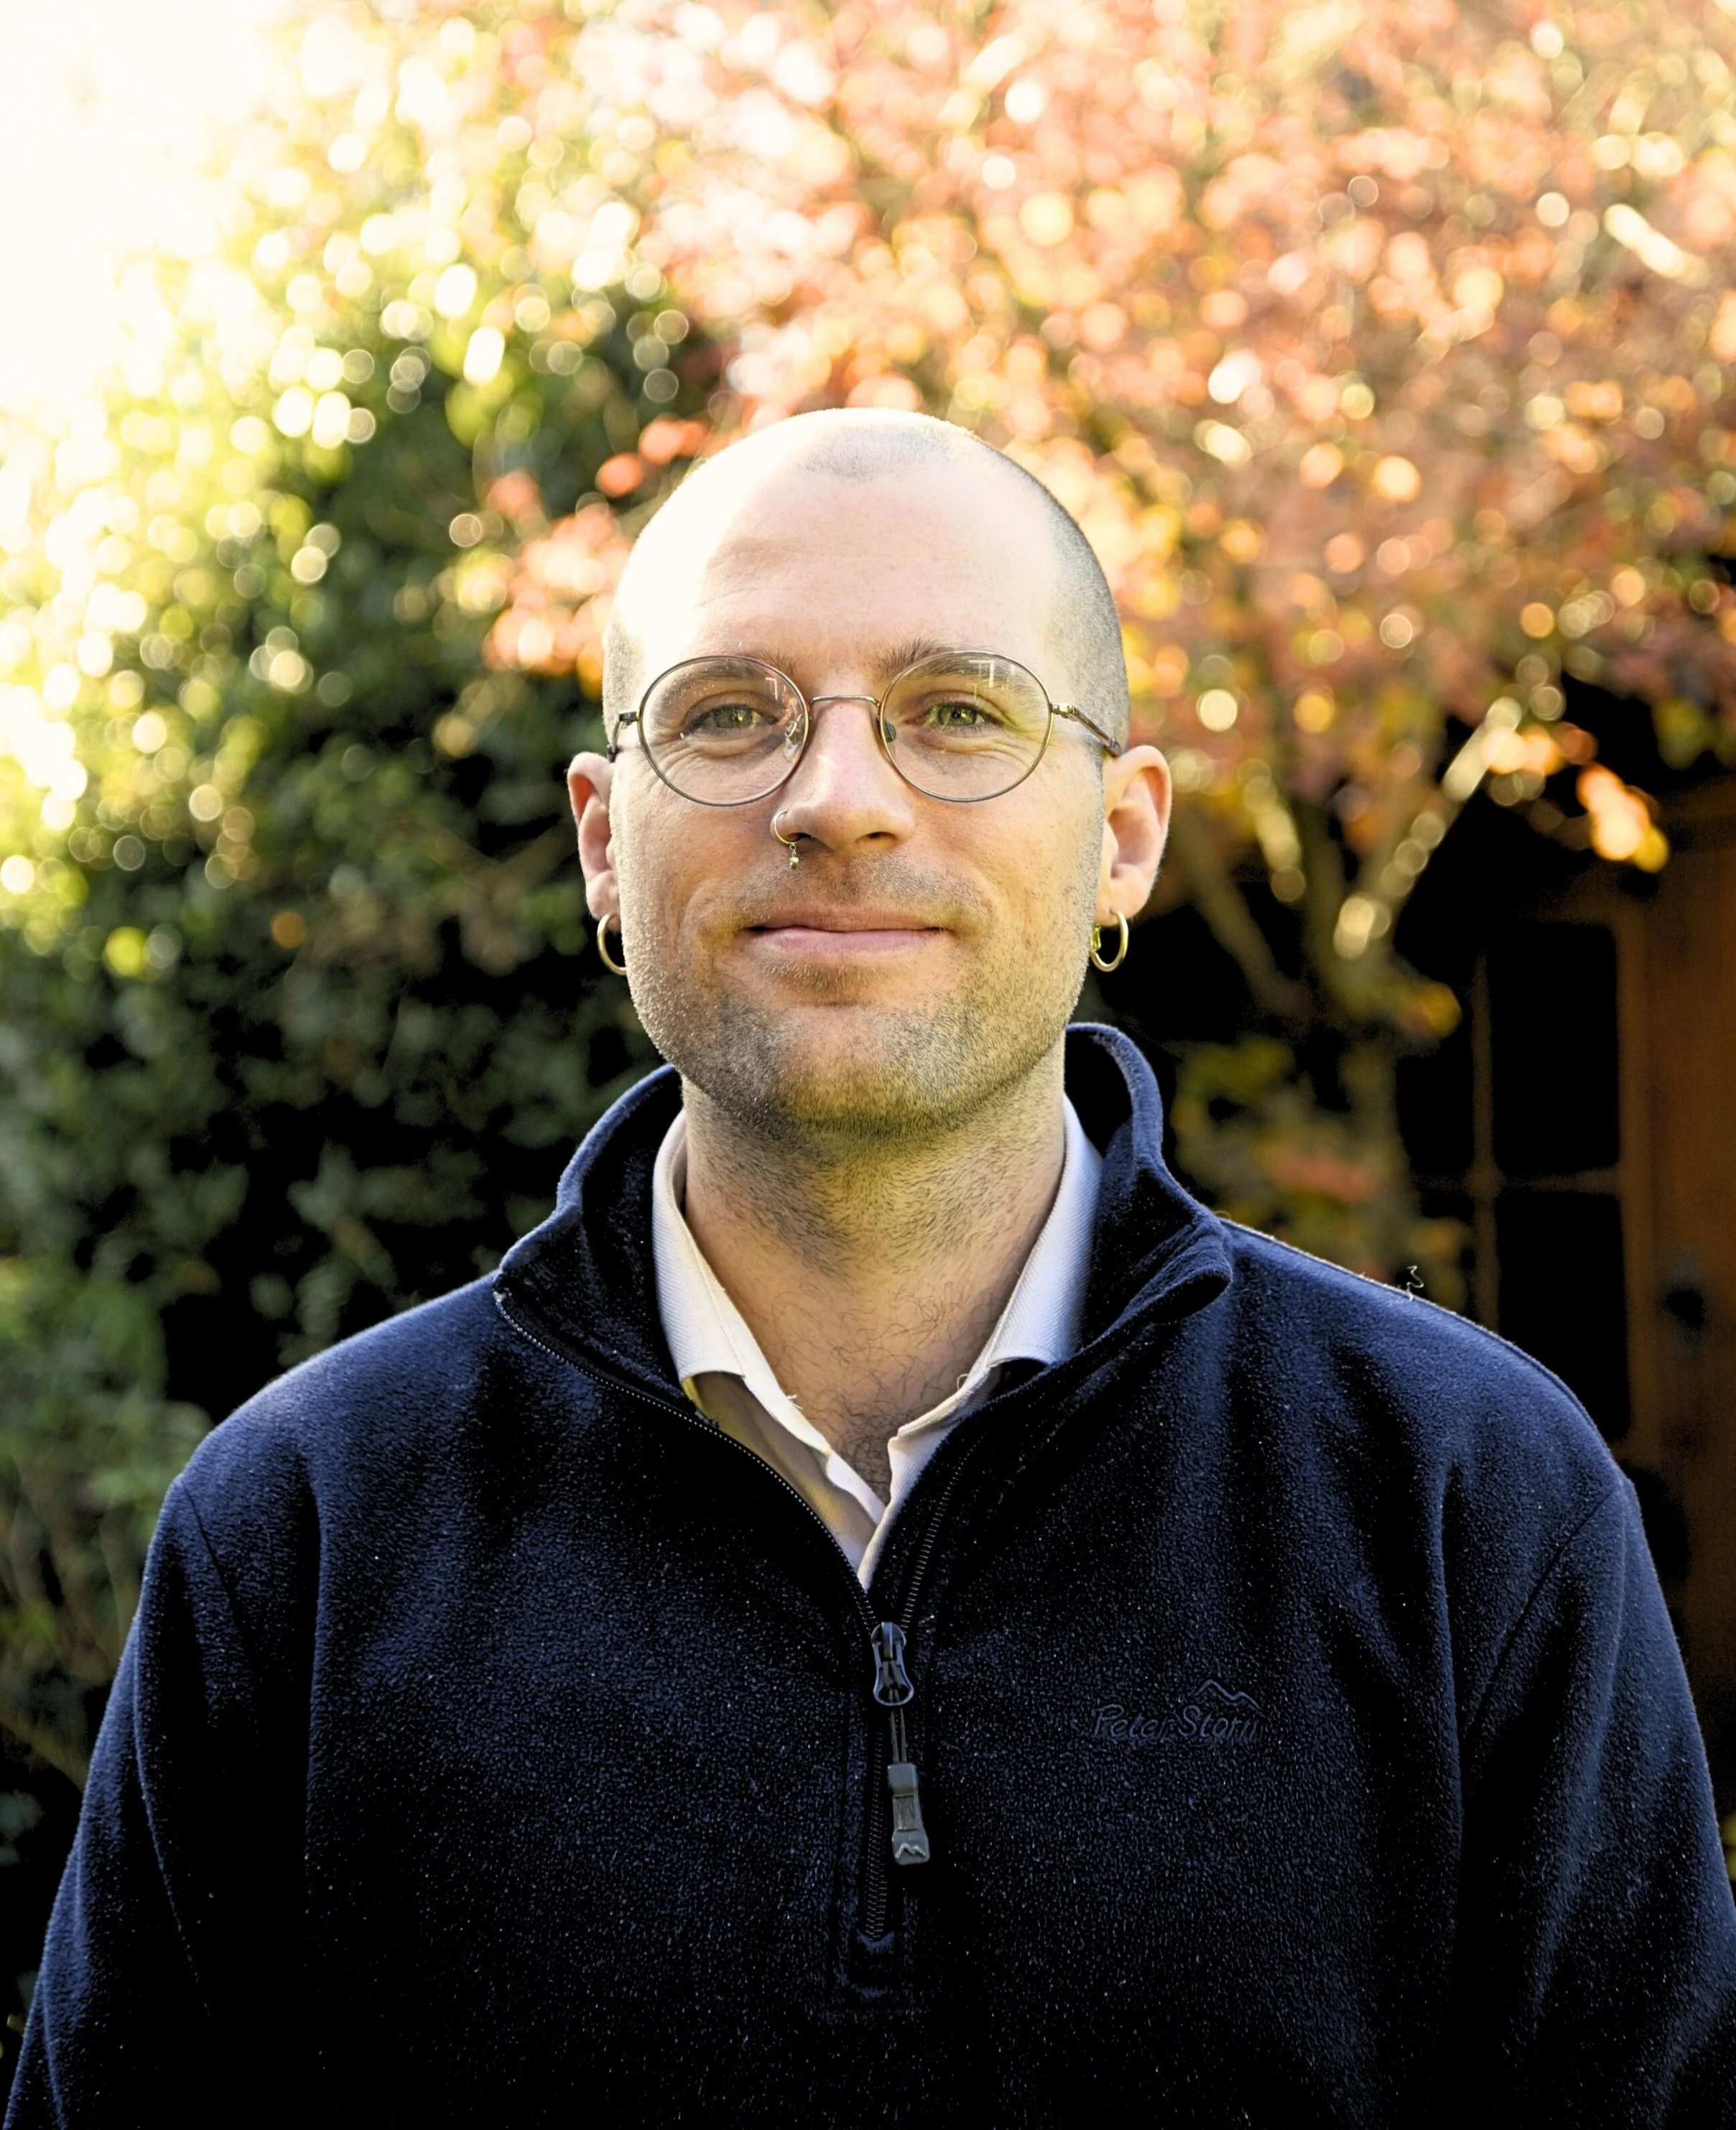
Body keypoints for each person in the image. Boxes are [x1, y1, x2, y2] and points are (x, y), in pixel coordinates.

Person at [9, 409, 1736, 2129]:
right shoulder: (306, 1536)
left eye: (959, 713)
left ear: (1121, 834)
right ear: (607, 843)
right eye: (732, 715)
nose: (839, 800)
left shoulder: (1465, 1506)